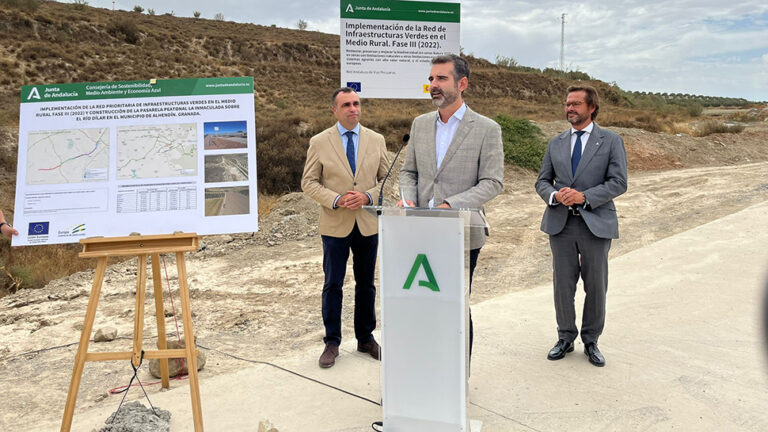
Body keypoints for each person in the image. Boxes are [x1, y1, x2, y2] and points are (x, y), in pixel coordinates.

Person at [398, 54, 505, 356]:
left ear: (462, 83)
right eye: (431, 79)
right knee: (422, 302)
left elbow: (492, 182)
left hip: (462, 233)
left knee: (455, 305)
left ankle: (459, 373)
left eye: (441, 78)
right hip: (419, 231)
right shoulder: (420, 125)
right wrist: (408, 197)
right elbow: (408, 172)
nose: (433, 84)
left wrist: (451, 205)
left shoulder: (487, 128)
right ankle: (426, 363)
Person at [535, 85, 628, 367]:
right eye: (567, 104)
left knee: (596, 285)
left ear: (592, 107)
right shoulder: (556, 143)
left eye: (576, 104)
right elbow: (542, 181)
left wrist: (584, 197)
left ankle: (591, 340)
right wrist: (555, 196)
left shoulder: (610, 141)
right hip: (560, 224)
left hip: (595, 223)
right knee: (562, 286)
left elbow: (618, 182)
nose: (569, 108)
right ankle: (565, 337)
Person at [301, 87, 390, 368]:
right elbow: (308, 182)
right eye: (347, 105)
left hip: (367, 224)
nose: (353, 109)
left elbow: (388, 179)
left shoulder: (376, 140)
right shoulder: (319, 142)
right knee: (333, 285)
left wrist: (367, 196)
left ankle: (365, 338)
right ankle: (332, 342)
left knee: (366, 285)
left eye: (356, 103)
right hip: (335, 225)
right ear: (335, 111)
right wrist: (337, 199)